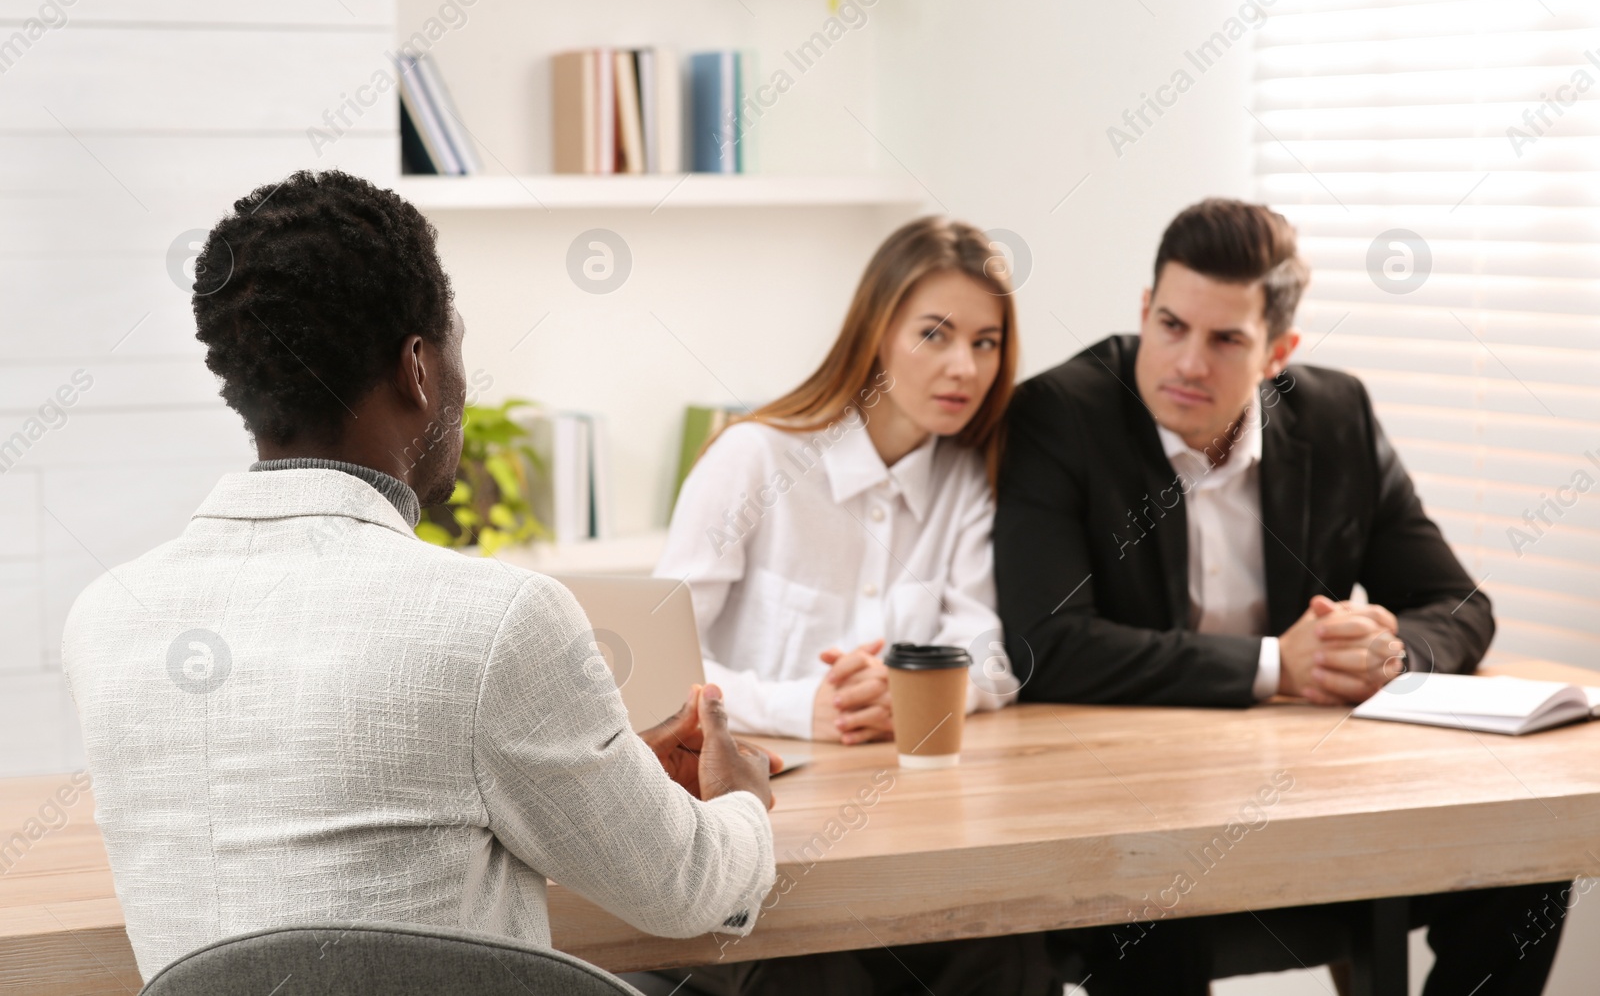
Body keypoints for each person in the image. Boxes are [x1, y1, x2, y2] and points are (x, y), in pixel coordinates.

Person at [60, 170, 777, 982]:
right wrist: (739, 800)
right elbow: (683, 890)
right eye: (458, 346)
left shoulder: (106, 619)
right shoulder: (500, 619)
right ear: (418, 367)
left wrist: (608, 776)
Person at [993, 197, 1568, 994]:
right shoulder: (1063, 416)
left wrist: (1392, 651)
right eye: (1170, 325)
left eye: (1226, 339)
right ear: (1144, 311)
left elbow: (1459, 602)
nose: (1188, 362)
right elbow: (1044, 644)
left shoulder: (1336, 416)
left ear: (1278, 351)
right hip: (1134, 819)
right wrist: (1279, 665)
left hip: (1311, 805)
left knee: (1534, 856)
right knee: (1149, 914)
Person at [638, 217, 1055, 995]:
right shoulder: (753, 458)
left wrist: (912, 695)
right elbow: (657, 675)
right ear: (877, 332)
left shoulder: (967, 481)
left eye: (986, 341)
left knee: (1016, 948)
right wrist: (809, 704)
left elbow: (997, 661)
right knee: (827, 970)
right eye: (935, 333)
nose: (964, 365)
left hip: (911, 838)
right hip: (760, 833)